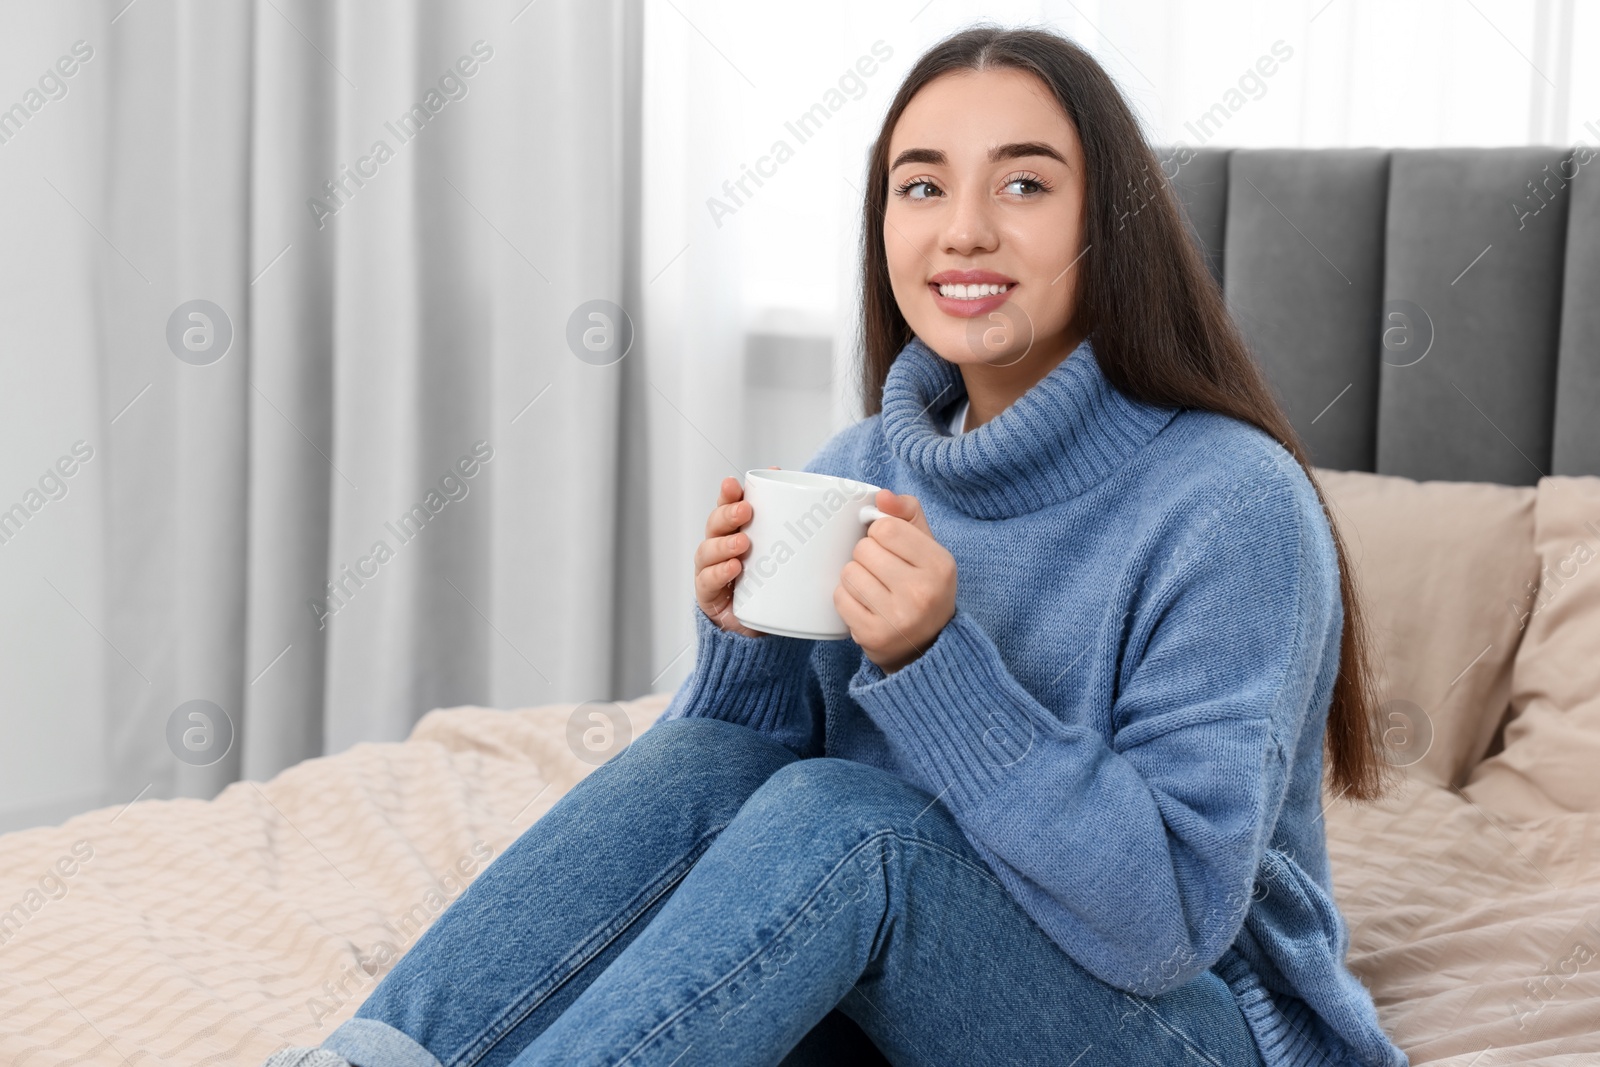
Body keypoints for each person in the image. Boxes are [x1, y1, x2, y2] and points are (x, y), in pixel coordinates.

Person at [264, 24, 1410, 1067]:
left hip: (1180, 1024)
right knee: (720, 769)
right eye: (920, 186)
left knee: (847, 823)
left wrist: (936, 665)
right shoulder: (862, 459)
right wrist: (746, 647)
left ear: (1107, 222)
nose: (964, 227)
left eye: (1023, 183)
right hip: (905, 996)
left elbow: (1160, 924)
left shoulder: (1229, 504)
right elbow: (740, 814)